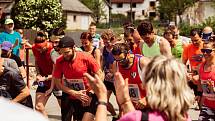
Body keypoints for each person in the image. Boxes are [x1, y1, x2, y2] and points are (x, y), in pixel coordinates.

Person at [52, 36, 103, 121]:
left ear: (74, 48)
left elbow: (100, 75)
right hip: (69, 93)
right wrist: (74, 93)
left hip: (86, 94)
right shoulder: (59, 61)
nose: (65, 55)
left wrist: (91, 92)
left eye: (67, 52)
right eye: (62, 53)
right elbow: (58, 83)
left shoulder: (86, 57)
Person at [112, 43, 150, 110]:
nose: (120, 63)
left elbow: (158, 86)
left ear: (129, 54)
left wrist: (146, 99)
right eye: (117, 60)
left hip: (148, 104)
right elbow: (118, 88)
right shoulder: (116, 64)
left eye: (122, 60)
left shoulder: (142, 62)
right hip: (132, 107)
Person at [32, 31, 55, 116]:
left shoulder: (53, 49)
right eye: (38, 49)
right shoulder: (35, 48)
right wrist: (38, 73)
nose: (40, 51)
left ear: (47, 44)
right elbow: (37, 61)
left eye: (42, 48)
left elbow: (60, 71)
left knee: (66, 111)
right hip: (44, 81)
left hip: (57, 81)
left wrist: (45, 78)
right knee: (38, 107)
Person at [100, 29, 119, 120]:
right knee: (104, 101)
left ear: (113, 39)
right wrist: (100, 71)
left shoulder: (118, 48)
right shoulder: (104, 49)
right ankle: (115, 115)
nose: (105, 44)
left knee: (120, 102)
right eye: (104, 42)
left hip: (117, 78)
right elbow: (103, 61)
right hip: (107, 79)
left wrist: (113, 73)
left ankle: (122, 116)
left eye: (107, 42)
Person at [183, 29, 204, 104]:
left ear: (201, 37)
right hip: (195, 80)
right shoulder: (188, 48)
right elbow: (183, 64)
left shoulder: (207, 47)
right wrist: (186, 73)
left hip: (206, 79)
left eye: (196, 40)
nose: (194, 42)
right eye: (192, 40)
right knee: (200, 104)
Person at [197, 36, 215, 120]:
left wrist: (213, 88)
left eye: (208, 51)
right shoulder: (201, 66)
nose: (204, 53)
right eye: (203, 50)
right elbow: (201, 85)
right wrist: (199, 95)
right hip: (208, 105)